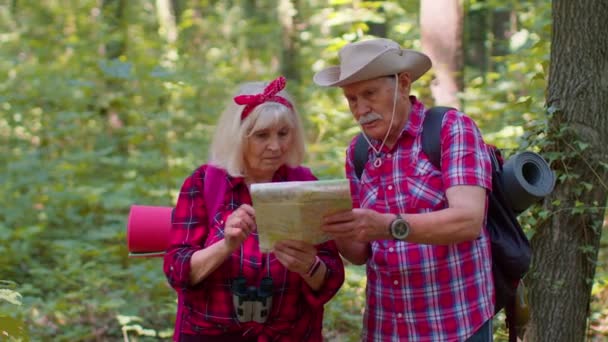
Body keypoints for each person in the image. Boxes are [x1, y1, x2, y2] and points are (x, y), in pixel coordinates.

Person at [315, 38, 495, 341]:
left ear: (403, 82)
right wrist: (334, 225)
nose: (361, 109)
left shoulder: (451, 129)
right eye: (351, 99)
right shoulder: (358, 153)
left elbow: (468, 221)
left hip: (456, 324)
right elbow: (359, 253)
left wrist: (387, 226)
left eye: (369, 94)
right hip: (387, 328)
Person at [163, 76, 345, 342]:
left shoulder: (305, 185)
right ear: (238, 138)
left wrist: (309, 267)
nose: (276, 146)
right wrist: (226, 245)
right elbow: (176, 271)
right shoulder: (204, 183)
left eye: (283, 134)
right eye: (262, 135)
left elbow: (331, 278)